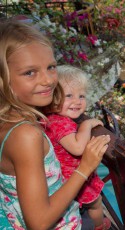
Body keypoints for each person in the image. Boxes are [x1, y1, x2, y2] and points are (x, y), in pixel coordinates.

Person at [0, 20, 110, 229]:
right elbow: (39, 222)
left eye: (51, 67)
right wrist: (85, 167)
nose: (49, 80)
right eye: (30, 72)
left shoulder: (10, 121)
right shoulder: (25, 135)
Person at [43, 65, 111, 230]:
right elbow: (78, 148)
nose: (77, 101)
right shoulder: (60, 124)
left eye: (82, 96)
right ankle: (99, 226)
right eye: (69, 96)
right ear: (53, 98)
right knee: (96, 204)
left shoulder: (51, 118)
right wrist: (86, 124)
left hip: (65, 176)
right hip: (75, 177)